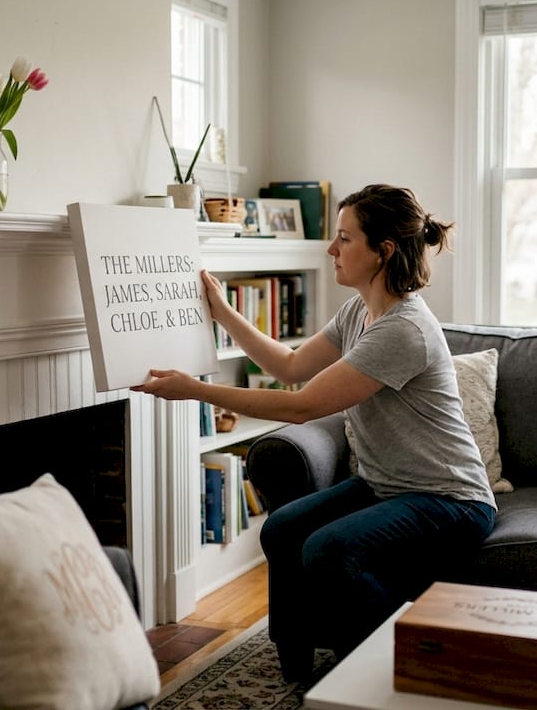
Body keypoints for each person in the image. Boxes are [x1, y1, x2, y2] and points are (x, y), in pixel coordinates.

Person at [132, 183, 497, 679]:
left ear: (384, 251)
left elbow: (300, 406)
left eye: (345, 239)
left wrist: (195, 390)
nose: (331, 250)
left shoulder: (403, 329)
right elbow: (289, 366)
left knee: (329, 549)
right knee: (282, 530)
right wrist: (223, 311)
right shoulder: (358, 311)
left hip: (449, 499)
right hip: (386, 486)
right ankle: (298, 667)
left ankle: (396, 663)